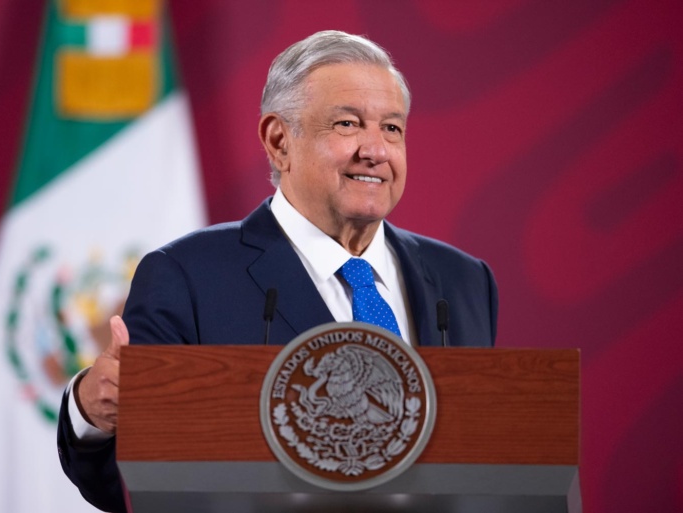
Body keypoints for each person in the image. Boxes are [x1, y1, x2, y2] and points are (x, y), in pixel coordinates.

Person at [57, 30, 498, 512]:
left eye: (392, 128)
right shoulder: (188, 277)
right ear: (279, 140)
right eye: (348, 124)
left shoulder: (463, 281)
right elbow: (130, 477)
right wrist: (91, 412)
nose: (376, 150)